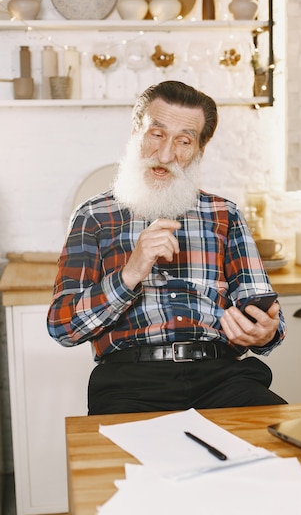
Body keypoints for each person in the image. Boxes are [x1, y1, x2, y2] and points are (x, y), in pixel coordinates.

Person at [47, 80, 287, 415]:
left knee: (284, 450)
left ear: (199, 149)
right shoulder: (93, 216)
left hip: (223, 378)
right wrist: (130, 273)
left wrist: (265, 331)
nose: (165, 155)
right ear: (136, 133)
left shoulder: (225, 215)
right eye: (156, 134)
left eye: (184, 141)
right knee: (118, 465)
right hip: (129, 383)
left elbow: (264, 312)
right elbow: (62, 327)